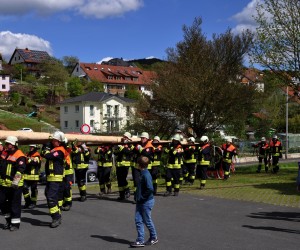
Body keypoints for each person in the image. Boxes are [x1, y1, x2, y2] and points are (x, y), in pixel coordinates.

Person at [41, 131, 68, 228]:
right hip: (50, 177)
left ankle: (56, 217)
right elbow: (44, 154)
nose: (52, 141)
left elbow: (47, 156)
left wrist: (46, 148)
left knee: (51, 197)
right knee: (50, 196)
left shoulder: (60, 150)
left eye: (54, 140)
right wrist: (46, 147)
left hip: (55, 178)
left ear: (59, 141)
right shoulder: (55, 149)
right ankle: (57, 214)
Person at [130, 156, 158, 248]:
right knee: (138, 220)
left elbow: (150, 189)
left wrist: (142, 197)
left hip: (146, 202)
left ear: (139, 165)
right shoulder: (142, 173)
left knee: (147, 221)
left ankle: (154, 237)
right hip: (140, 201)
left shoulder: (146, 175)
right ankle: (140, 240)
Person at [0, 136, 26, 231]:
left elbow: (20, 170)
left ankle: (15, 224)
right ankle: (8, 220)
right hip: (3, 184)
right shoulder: (5, 153)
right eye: (6, 143)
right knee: (2, 202)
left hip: (15, 185)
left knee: (14, 205)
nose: (7, 145)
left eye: (9, 144)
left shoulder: (20, 155)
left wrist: (15, 182)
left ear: (14, 144)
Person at [132, 132, 154, 198]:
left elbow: (146, 154)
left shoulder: (149, 146)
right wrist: (134, 147)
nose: (142, 139)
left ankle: (144, 196)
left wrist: (140, 148)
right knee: (136, 182)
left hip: (146, 167)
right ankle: (136, 196)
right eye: (141, 138)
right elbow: (133, 152)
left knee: (145, 182)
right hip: (137, 166)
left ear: (147, 138)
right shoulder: (139, 144)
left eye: (143, 138)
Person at [113, 132, 133, 201]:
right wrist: (116, 148)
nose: (124, 138)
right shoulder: (121, 144)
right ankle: (121, 195)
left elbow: (128, 152)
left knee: (123, 179)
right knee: (119, 180)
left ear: (128, 138)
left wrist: (122, 147)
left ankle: (127, 190)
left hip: (125, 165)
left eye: (125, 137)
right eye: (123, 136)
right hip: (119, 165)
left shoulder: (130, 145)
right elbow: (115, 153)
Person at [23, 144, 41, 209]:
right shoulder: (28, 154)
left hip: (34, 176)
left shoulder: (37, 154)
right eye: (30, 146)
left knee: (33, 190)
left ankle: (33, 203)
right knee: (24, 189)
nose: (31, 148)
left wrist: (28, 160)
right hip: (26, 176)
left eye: (32, 147)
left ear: (35, 147)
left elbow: (35, 163)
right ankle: (27, 202)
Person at [61, 138, 73, 211]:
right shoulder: (61, 149)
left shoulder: (66, 150)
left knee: (67, 188)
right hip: (63, 173)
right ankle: (64, 202)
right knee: (62, 188)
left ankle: (68, 203)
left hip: (68, 173)